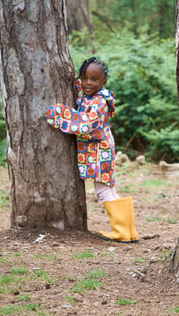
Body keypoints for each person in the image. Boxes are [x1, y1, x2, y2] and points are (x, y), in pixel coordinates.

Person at [45, 57, 139, 243]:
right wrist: (73, 80)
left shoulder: (100, 102)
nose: (88, 83)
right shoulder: (92, 96)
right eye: (84, 78)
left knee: (104, 190)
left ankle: (122, 232)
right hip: (100, 149)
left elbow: (87, 126)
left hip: (99, 150)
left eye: (94, 79)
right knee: (109, 188)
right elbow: (82, 95)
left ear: (103, 82)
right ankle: (128, 232)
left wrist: (60, 117)